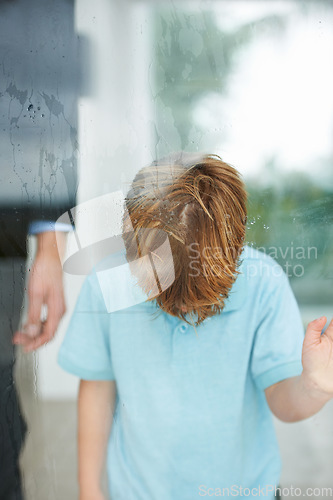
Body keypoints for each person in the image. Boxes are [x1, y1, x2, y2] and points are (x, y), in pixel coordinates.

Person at [58, 153, 333, 500]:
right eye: (164, 292)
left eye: (201, 297)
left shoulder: (264, 283)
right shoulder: (108, 282)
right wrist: (89, 491)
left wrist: (316, 386)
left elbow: (282, 399)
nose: (184, 308)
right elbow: (97, 390)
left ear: (234, 254)